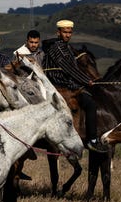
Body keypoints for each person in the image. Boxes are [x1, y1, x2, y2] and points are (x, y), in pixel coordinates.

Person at [43, 20, 107, 153]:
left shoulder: (66, 47)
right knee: (90, 104)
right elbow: (70, 69)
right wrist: (87, 81)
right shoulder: (58, 48)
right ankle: (92, 140)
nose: (67, 35)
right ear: (58, 33)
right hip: (60, 86)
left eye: (69, 32)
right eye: (65, 32)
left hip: (69, 85)